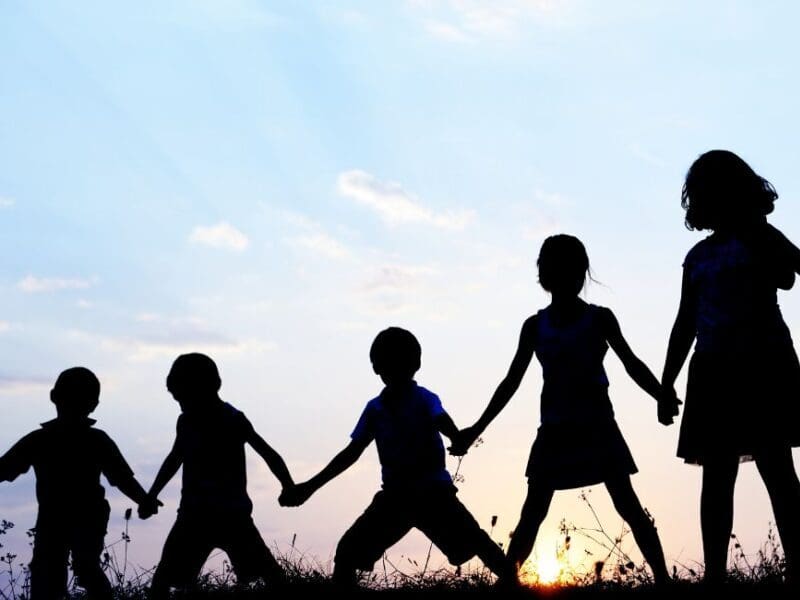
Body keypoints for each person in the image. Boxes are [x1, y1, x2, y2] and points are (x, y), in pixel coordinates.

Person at [450, 234, 673, 585]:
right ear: (545, 276)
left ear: (580, 273)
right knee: (534, 511)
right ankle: (508, 581)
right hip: (555, 431)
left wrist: (660, 394)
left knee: (626, 505)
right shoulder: (535, 326)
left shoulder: (600, 319)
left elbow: (631, 363)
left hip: (598, 427)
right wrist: (475, 429)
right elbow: (510, 383)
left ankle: (663, 578)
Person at [279, 327, 514, 587]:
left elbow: (441, 420)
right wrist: (310, 487)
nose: (393, 369)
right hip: (396, 499)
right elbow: (351, 454)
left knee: (476, 541)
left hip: (433, 495)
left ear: (413, 364)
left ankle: (512, 584)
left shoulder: (424, 398)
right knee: (347, 551)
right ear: (377, 368)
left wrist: (456, 437)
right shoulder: (375, 409)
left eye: (397, 361)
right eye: (388, 362)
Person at [661, 149, 800, 584]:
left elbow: (790, 272)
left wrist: (760, 238)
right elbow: (684, 322)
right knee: (717, 479)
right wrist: (666, 383)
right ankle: (716, 576)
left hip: (764, 366)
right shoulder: (698, 257)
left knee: (777, 470)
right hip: (714, 372)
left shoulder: (761, 236)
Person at [141, 353, 294, 598]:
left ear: (206, 388)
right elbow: (174, 459)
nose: (180, 404)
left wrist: (288, 485)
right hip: (195, 515)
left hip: (230, 515)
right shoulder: (187, 421)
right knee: (164, 578)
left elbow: (267, 452)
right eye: (176, 398)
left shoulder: (233, 419)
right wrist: (151, 494)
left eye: (183, 397)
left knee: (270, 576)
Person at [0, 367, 158, 600]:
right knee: (62, 569)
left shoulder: (41, 440)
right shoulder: (91, 439)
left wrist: (144, 499)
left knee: (66, 569)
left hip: (76, 516)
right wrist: (144, 500)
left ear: (53, 396)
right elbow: (123, 478)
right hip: (66, 517)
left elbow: (122, 478)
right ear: (94, 404)